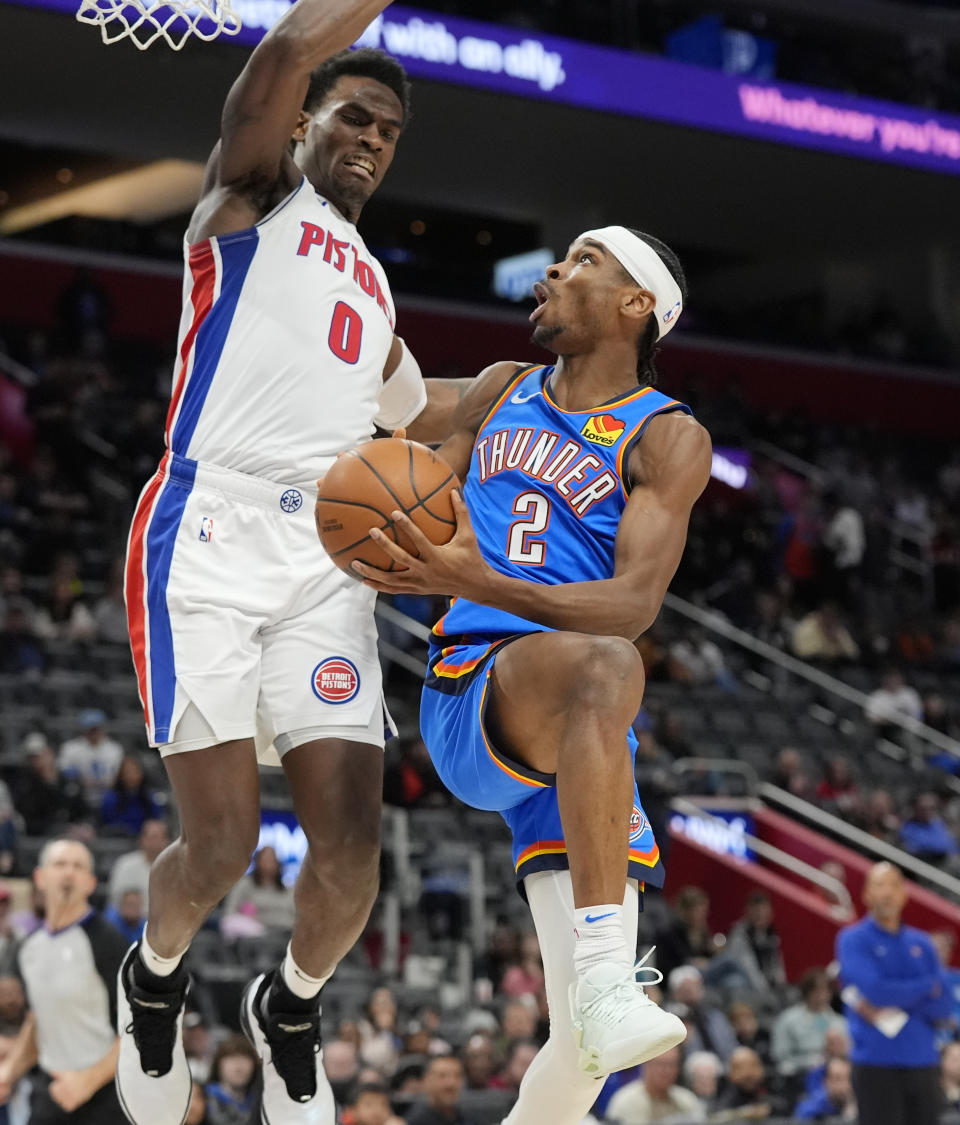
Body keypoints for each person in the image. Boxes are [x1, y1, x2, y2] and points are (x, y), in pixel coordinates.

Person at [115, 2, 468, 1123]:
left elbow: (423, 416)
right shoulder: (251, 197)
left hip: (323, 560)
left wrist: (553, 385)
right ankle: (155, 974)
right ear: (309, 121)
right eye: (354, 116)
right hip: (207, 530)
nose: (371, 138)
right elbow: (272, 59)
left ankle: (293, 1006)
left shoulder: (373, 283)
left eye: (390, 131)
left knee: (353, 850)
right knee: (217, 844)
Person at [353, 226, 711, 1122]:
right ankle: (606, 978)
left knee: (588, 1057)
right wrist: (346, 304)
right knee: (601, 667)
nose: (555, 268)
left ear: (639, 305)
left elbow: (634, 604)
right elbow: (376, 401)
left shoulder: (666, 438)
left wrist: (474, 575)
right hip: (478, 690)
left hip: (585, 729)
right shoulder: (500, 388)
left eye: (586, 259)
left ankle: (597, 996)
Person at [0, 839, 128, 1123]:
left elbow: (140, 1029)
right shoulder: (29, 948)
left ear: (91, 883)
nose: (68, 873)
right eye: (60, 864)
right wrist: (8, 1071)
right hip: (51, 1091)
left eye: (78, 866)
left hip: (105, 1094)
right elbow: (38, 1021)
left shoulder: (108, 943)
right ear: (40, 877)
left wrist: (87, 1082)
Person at [836, 861, 952, 1125]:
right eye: (879, 885)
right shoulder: (852, 939)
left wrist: (897, 994)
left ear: (904, 894)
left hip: (923, 1061)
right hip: (876, 1063)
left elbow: (943, 1003)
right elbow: (875, 991)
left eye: (893, 885)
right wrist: (924, 987)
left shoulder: (922, 942)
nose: (887, 893)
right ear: (866, 894)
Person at [770, 968, 847, 1078]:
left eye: (826, 990)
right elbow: (780, 1056)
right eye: (817, 990)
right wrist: (811, 1061)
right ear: (807, 991)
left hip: (834, 1073)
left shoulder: (840, 1022)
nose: (822, 995)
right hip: (798, 1074)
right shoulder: (787, 1020)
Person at [605, 1046, 704, 1123]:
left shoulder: (687, 1100)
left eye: (672, 1064)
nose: (666, 1071)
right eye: (660, 1064)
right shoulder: (624, 1103)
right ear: (646, 1064)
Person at [220, 846, 295, 937]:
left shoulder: (287, 889)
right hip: (252, 931)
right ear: (257, 861)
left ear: (278, 863)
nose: (268, 863)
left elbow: (293, 916)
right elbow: (229, 913)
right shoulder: (244, 884)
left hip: (283, 931)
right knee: (230, 923)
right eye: (265, 859)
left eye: (272, 859)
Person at [58, 710, 123, 798]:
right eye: (90, 729)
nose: (94, 732)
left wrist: (113, 781)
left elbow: (122, 773)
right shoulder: (70, 748)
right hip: (79, 796)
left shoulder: (115, 749)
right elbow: (63, 769)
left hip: (108, 795)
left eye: (96, 728)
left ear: (103, 728)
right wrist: (79, 779)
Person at [107, 819, 169, 909]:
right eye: (153, 837)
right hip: (129, 919)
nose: (156, 842)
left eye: (161, 837)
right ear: (142, 839)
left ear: (166, 841)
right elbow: (115, 898)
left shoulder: (174, 868)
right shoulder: (125, 864)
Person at [204, 1036, 259, 1125]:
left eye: (245, 1059)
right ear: (219, 1064)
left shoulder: (261, 1100)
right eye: (232, 1058)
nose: (239, 1067)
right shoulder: (202, 1099)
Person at [405, 1055, 476, 1125]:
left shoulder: (470, 1118)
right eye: (442, 1076)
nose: (451, 1083)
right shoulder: (413, 1121)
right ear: (427, 1081)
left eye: (457, 1076)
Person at [794, 1055, 857, 1121]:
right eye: (837, 1079)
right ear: (826, 1082)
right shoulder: (810, 1108)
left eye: (848, 1079)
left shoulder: (861, 1105)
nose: (845, 1084)